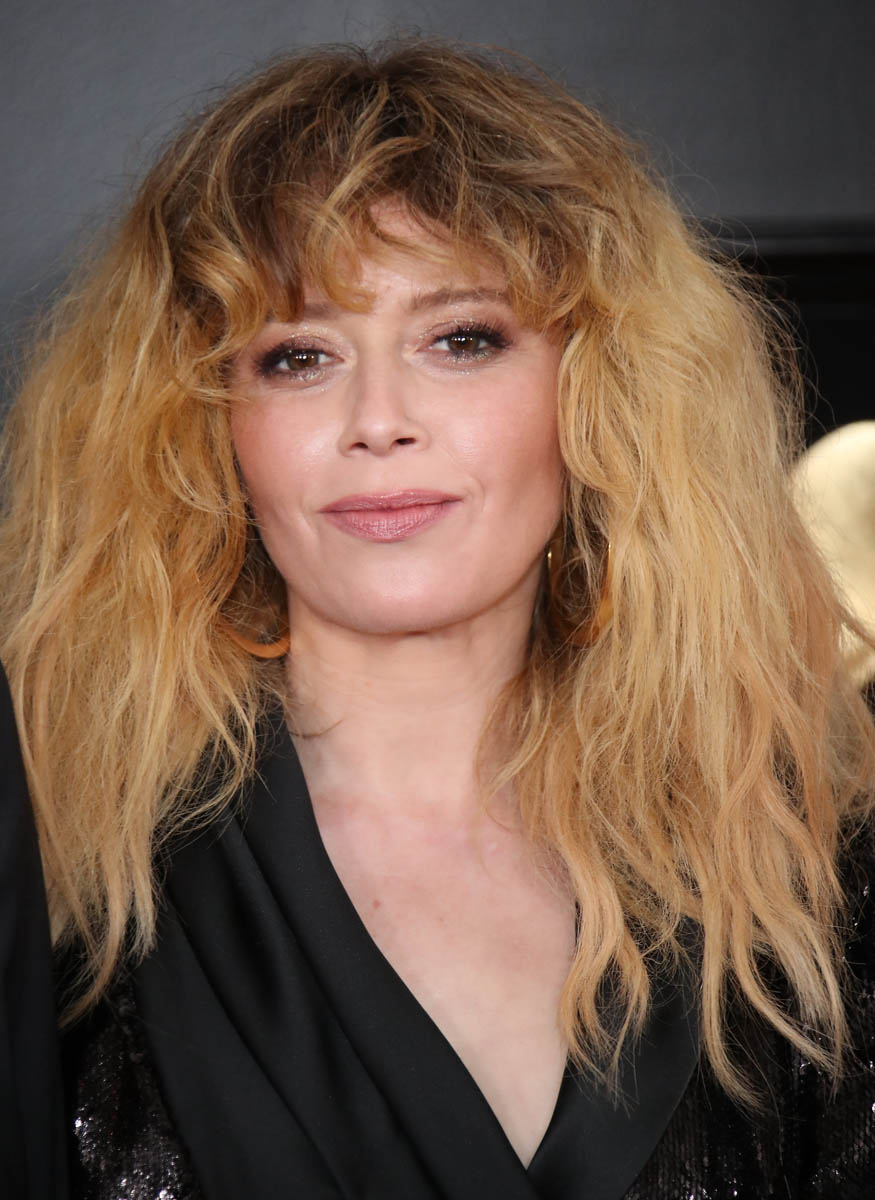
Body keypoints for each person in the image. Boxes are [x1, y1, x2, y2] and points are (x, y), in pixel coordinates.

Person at [1, 40, 874, 1199]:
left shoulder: (800, 868)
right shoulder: (65, 878)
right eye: (297, 355)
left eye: (461, 339)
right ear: (205, 426)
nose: (378, 419)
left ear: (600, 391)